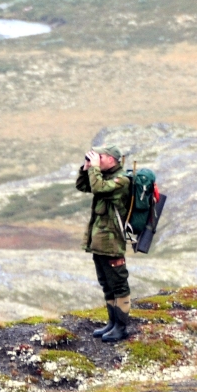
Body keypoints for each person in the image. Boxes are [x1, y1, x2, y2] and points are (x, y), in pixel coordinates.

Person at [75, 145, 132, 343]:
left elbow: (98, 188)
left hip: (112, 241)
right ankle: (112, 323)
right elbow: (84, 187)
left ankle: (122, 327)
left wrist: (94, 169)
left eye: (101, 156)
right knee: (106, 284)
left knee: (118, 284)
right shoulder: (103, 176)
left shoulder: (121, 180)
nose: (97, 159)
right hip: (99, 241)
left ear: (112, 159)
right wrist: (86, 169)